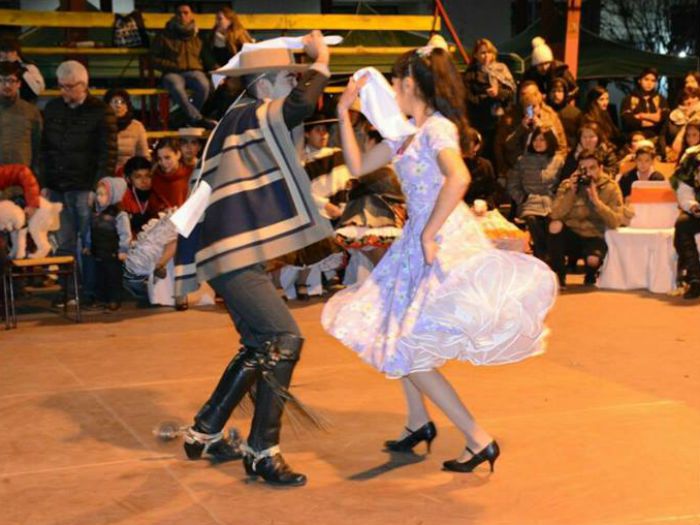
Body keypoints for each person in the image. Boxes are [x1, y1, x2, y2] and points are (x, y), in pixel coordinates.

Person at [323, 46, 557, 474]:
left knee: (408, 344)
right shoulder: (405, 131)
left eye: (395, 82)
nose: (392, 89)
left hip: (441, 238)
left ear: (410, 84)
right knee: (393, 329)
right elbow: (356, 165)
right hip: (421, 238)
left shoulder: (436, 129)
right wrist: (343, 111)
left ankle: (478, 438)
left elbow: (460, 177)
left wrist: (429, 233)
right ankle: (418, 420)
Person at [174, 31, 333, 486]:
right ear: (264, 85)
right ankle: (262, 450)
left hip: (230, 254)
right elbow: (302, 105)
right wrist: (321, 62)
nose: (295, 84)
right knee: (285, 337)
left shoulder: (238, 119)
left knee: (262, 344)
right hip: (234, 256)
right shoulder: (250, 116)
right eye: (288, 77)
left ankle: (204, 432)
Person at [42, 60, 117, 304]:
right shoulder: (52, 108)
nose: (64, 92)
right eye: (61, 86)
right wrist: (44, 182)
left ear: (83, 85)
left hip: (85, 187)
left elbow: (108, 153)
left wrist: (98, 186)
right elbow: (45, 148)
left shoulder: (101, 111)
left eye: (69, 87)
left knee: (88, 242)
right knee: (63, 242)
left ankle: (88, 293)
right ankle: (67, 291)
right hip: (57, 187)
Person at [548, 150, 624, 287]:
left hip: (595, 235)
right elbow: (555, 214)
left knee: (593, 260)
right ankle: (559, 275)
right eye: (583, 169)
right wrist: (571, 192)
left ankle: (591, 273)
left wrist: (596, 202)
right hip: (572, 234)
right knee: (554, 225)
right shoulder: (568, 185)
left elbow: (616, 221)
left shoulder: (611, 188)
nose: (588, 173)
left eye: (592, 168)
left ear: (601, 168)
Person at [151, 3, 213, 128]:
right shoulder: (164, 35)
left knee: (204, 86)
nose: (182, 16)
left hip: (194, 71)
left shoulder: (198, 36)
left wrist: (215, 67)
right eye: (179, 13)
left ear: (191, 15)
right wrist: (171, 65)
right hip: (172, 72)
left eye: (186, 12)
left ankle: (184, 117)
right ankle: (197, 118)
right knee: (176, 86)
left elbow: (206, 56)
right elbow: (152, 58)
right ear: (175, 15)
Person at [507, 128, 564, 260]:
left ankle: (547, 254)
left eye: (542, 139)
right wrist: (522, 198)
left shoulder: (558, 160)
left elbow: (563, 184)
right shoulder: (523, 160)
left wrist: (558, 199)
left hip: (551, 201)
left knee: (551, 221)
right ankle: (542, 252)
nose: (538, 143)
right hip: (530, 201)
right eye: (535, 140)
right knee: (533, 220)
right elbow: (512, 184)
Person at [495, 80, 567, 177]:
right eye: (523, 94)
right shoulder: (510, 118)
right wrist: (504, 172)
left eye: (532, 94)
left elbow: (561, 146)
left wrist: (555, 168)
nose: (527, 97)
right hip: (519, 169)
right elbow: (503, 147)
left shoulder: (550, 116)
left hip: (546, 169)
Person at [462, 38, 515, 162]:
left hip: (500, 122)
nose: (486, 56)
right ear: (475, 55)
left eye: (489, 52)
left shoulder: (501, 69)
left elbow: (510, 92)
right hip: (480, 122)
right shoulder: (470, 74)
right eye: (482, 53)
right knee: (483, 155)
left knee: (500, 154)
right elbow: (468, 97)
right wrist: (487, 97)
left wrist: (498, 93)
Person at [85, 177, 130, 310]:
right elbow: (90, 230)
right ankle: (101, 298)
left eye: (103, 195)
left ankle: (114, 298)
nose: (99, 198)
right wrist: (88, 245)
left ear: (113, 195)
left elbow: (125, 233)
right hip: (98, 250)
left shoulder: (119, 214)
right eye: (98, 194)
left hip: (112, 252)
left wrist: (123, 250)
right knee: (100, 276)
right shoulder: (95, 213)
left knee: (113, 277)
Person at [0, 61, 42, 175]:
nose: (7, 85)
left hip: (21, 181)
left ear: (19, 83)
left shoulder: (31, 112)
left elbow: (38, 149)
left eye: (11, 80)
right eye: (2, 80)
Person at [670, 145, 700, 299]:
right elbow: (684, 189)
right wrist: (692, 206)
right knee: (682, 224)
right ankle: (695, 278)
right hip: (698, 209)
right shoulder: (692, 157)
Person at [104, 88, 150, 172]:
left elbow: (144, 157)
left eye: (123, 102)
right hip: (104, 176)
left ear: (127, 106)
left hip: (129, 175)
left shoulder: (137, 127)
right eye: (115, 102)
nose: (119, 105)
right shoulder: (99, 125)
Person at [522, 37, 578, 103]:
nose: (544, 67)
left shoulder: (561, 71)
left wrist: (561, 100)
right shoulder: (530, 75)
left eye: (546, 63)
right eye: (540, 65)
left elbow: (575, 90)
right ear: (535, 66)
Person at [621, 67, 669, 142]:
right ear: (639, 80)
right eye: (646, 79)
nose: (649, 83)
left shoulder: (660, 99)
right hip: (635, 139)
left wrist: (641, 115)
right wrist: (646, 122)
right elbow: (627, 119)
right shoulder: (629, 99)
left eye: (653, 81)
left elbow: (663, 116)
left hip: (656, 138)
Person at [201, 7, 253, 72]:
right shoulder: (211, 37)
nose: (217, 22)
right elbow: (208, 58)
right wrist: (217, 69)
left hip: (238, 70)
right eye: (216, 19)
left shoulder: (240, 35)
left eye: (220, 19)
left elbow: (247, 53)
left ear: (230, 21)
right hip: (219, 72)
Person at [149, 138, 193, 212]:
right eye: (159, 159)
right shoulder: (155, 178)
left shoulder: (191, 175)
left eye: (167, 158)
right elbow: (153, 206)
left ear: (178, 155)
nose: (163, 163)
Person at [0, 36, 45, 102]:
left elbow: (38, 90)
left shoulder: (29, 68)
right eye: (3, 51)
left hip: (23, 106)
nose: (6, 54)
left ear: (17, 52)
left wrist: (20, 69)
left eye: (11, 51)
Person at [462, 128, 497, 209]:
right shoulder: (454, 165)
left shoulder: (485, 165)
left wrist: (486, 205)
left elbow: (491, 191)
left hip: (480, 208)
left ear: (477, 146)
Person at [120, 155, 155, 234]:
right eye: (138, 177)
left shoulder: (156, 197)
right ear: (128, 179)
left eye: (147, 176)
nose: (144, 181)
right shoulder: (122, 199)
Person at [547, 78, 581, 150]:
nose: (556, 94)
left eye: (560, 91)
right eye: (553, 91)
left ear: (565, 93)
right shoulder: (543, 111)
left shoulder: (575, 113)